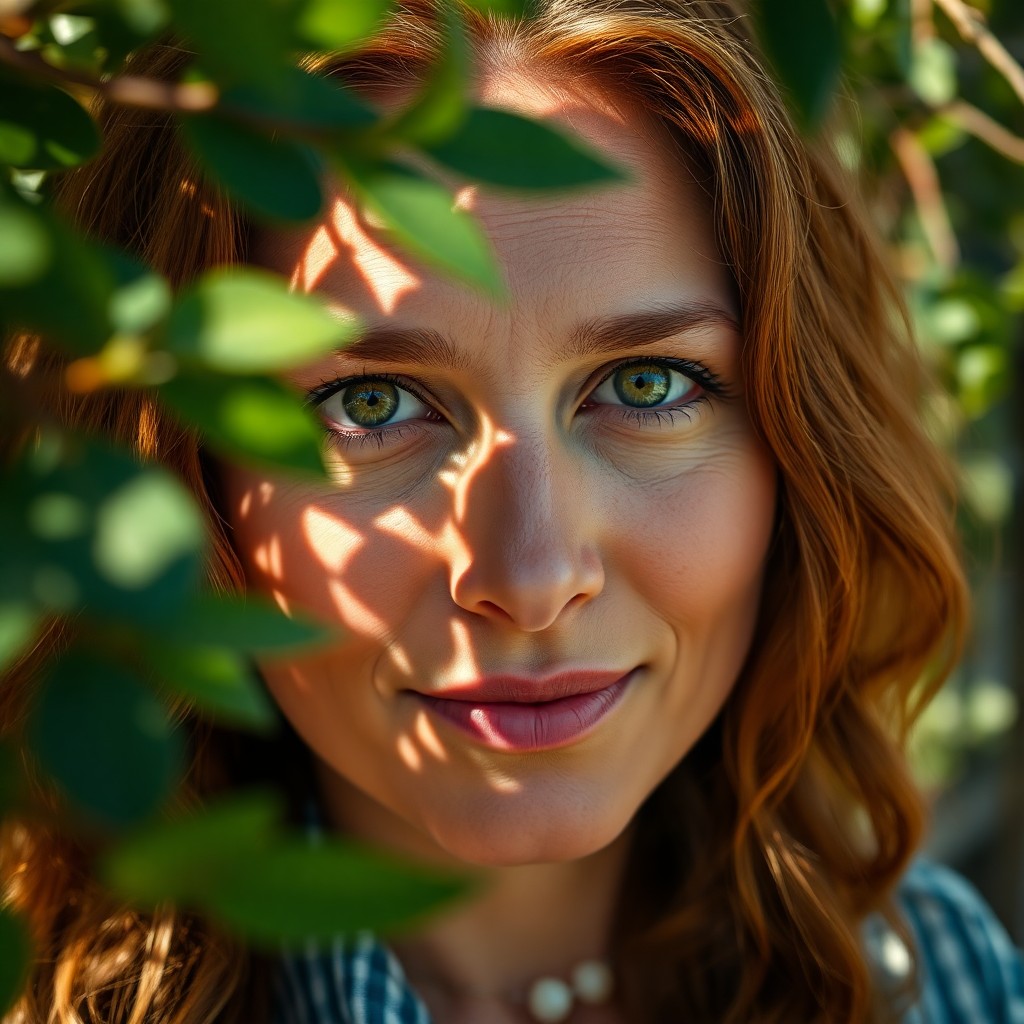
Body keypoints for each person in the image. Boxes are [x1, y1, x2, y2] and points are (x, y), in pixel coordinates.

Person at [3, 1, 1023, 1022]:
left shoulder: (935, 976)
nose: (530, 579)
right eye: (372, 405)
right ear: (178, 471)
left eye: (645, 386)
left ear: (800, 452)